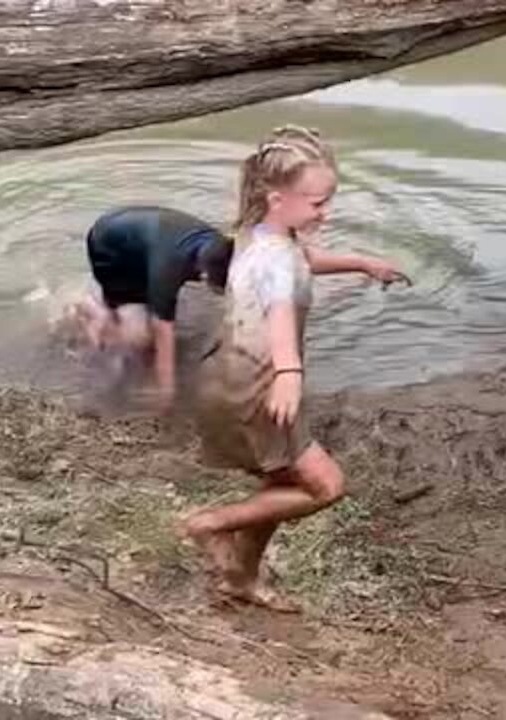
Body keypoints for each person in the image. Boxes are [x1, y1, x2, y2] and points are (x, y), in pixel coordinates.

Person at [182, 127, 405, 611]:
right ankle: (210, 524)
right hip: (260, 384)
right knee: (325, 486)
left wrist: (363, 262)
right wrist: (290, 374)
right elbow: (281, 311)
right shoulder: (277, 257)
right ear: (277, 197)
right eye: (318, 203)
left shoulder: (256, 233)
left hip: (227, 373)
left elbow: (303, 261)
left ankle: (240, 576)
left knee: (283, 485)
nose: (326, 212)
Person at [77, 206, 234, 411]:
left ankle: (108, 310)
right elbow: (164, 333)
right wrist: (166, 392)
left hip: (144, 235)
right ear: (204, 276)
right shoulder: (168, 270)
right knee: (141, 339)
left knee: (154, 313)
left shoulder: (220, 245)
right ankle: (90, 308)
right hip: (108, 244)